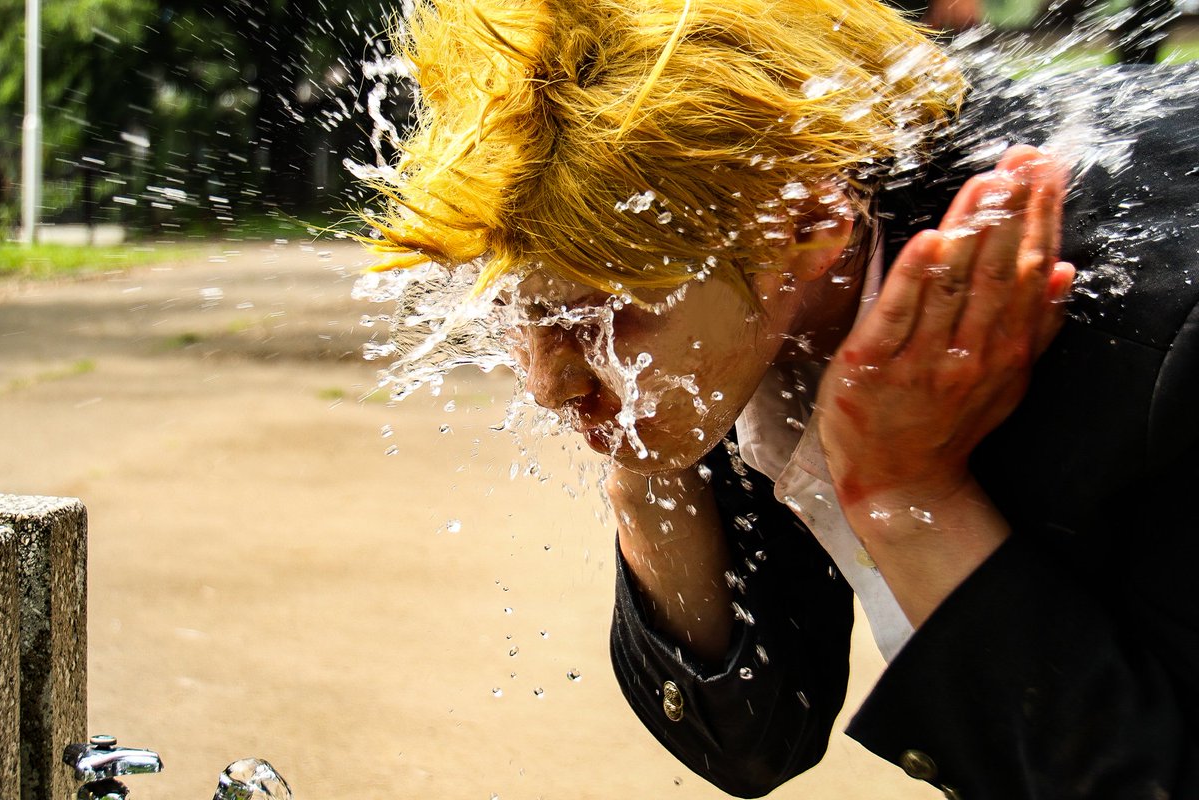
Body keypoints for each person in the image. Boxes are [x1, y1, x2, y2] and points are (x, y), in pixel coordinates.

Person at [363, 0, 1199, 796]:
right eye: (516, 310)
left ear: (806, 223)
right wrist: (646, 472)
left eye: (596, 313)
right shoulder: (737, 285)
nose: (550, 384)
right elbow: (752, 743)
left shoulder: (1155, 340)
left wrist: (912, 498)